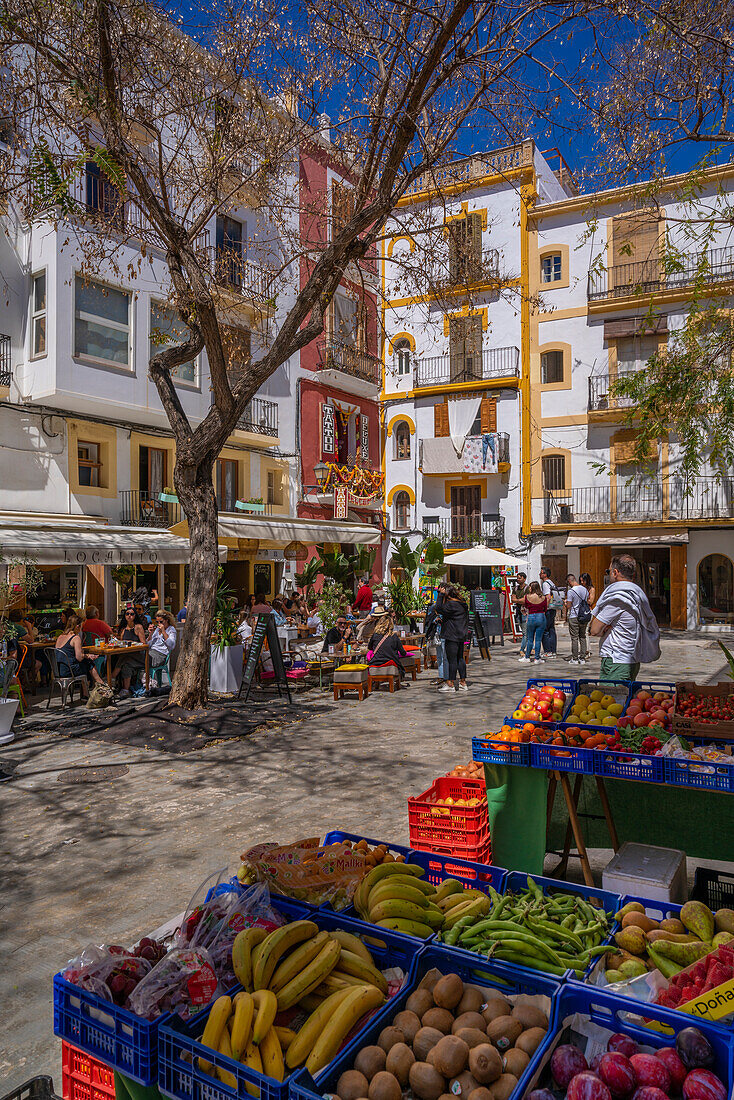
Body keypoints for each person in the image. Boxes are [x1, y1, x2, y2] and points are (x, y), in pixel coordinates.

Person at [590, 554, 661, 681]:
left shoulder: (618, 598)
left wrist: (604, 626)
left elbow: (594, 629)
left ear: (615, 573)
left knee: (613, 699)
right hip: (630, 658)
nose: (608, 574)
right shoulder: (636, 594)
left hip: (616, 659)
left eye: (608, 571)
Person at [54, 614, 108, 696]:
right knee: (89, 663)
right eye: (81, 627)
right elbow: (79, 658)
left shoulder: (60, 637)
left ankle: (86, 693)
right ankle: (101, 685)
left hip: (59, 670)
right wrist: (87, 656)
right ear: (77, 626)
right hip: (70, 671)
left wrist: (86, 656)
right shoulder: (75, 638)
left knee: (86, 663)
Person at [436, 585, 470, 694]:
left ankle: (450, 683)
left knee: (452, 659)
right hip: (461, 634)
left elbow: (439, 608)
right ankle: (463, 683)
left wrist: (440, 595)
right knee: (460, 658)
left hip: (452, 634)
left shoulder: (451, 604)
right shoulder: (462, 603)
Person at [112, 607, 148, 698]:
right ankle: (125, 690)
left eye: (132, 614)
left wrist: (132, 643)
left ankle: (111, 678)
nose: (129, 616)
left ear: (135, 616)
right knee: (125, 663)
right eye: (127, 614)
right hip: (126, 656)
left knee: (125, 659)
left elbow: (144, 644)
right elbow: (121, 642)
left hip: (138, 657)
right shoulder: (123, 629)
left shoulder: (138, 627)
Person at [366, 614, 409, 683]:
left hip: (375, 663)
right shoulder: (394, 637)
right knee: (400, 667)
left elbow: (370, 648)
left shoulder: (375, 636)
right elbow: (402, 653)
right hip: (390, 664)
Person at [519, 582, 549, 664]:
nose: (529, 588)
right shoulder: (543, 597)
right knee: (538, 640)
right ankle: (537, 658)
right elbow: (545, 609)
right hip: (541, 617)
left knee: (530, 639)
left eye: (530, 587)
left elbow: (524, 607)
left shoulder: (527, 597)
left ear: (532, 588)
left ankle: (527, 657)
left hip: (531, 617)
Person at [565, 573, 590, 665]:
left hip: (574, 616)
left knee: (574, 638)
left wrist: (565, 603)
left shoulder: (571, 591)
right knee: (582, 636)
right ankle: (582, 658)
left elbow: (569, 605)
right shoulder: (585, 590)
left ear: (569, 581)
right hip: (584, 616)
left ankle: (575, 658)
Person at [424, 586, 447, 687]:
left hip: (446, 634)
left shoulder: (449, 606)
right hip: (438, 633)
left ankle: (446, 677)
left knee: (445, 656)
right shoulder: (435, 606)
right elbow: (429, 619)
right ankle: (442, 676)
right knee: (440, 656)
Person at [539, 566, 560, 658]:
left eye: (541, 573)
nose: (539, 574)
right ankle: (553, 651)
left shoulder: (545, 584)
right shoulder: (551, 582)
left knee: (544, 630)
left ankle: (548, 651)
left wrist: (544, 609)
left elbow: (547, 597)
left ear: (545, 574)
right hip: (553, 609)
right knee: (551, 630)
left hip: (548, 610)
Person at [148, 610, 177, 674]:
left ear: (166, 620)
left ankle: (148, 680)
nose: (159, 624)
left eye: (161, 621)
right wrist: (151, 633)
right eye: (157, 622)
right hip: (151, 652)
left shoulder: (171, 629)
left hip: (161, 655)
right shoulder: (157, 629)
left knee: (143, 659)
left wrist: (163, 632)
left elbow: (171, 645)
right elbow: (149, 645)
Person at [511, 572, 529, 651]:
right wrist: (520, 600)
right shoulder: (515, 588)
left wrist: (517, 600)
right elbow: (512, 599)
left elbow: (526, 600)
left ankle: (522, 649)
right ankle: (531, 648)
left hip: (525, 612)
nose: (518, 579)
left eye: (520, 578)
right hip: (518, 611)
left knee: (525, 633)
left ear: (524, 579)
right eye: (517, 578)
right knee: (524, 632)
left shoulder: (528, 588)